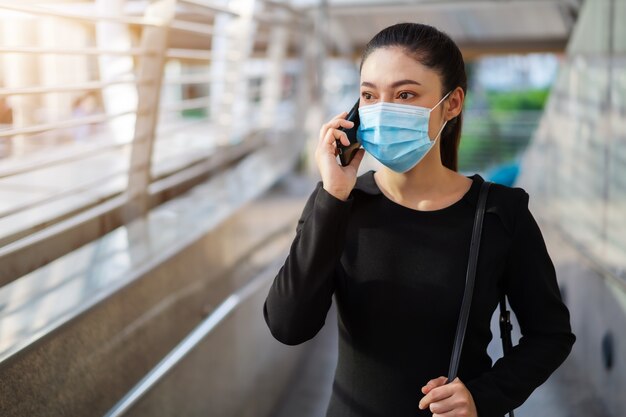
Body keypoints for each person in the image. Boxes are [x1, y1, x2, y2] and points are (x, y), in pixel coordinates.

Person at [263, 23, 575, 417]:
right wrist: (333, 195)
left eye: (405, 94)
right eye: (369, 95)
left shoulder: (501, 212)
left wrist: (484, 395)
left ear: (452, 103)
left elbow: (551, 335)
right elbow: (289, 326)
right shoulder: (339, 203)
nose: (383, 109)